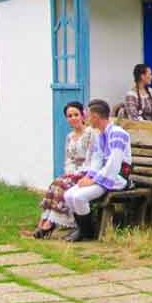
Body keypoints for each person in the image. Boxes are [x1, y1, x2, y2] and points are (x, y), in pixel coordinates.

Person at [63, 99, 132, 242]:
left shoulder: (118, 134)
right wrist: (89, 177)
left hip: (116, 178)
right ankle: (83, 229)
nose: (86, 119)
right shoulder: (100, 135)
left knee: (79, 197)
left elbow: (114, 164)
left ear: (95, 117)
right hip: (102, 176)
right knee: (69, 195)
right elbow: (97, 160)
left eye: (87, 115)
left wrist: (94, 180)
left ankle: (87, 233)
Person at [33, 101, 96, 238]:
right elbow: (68, 158)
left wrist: (79, 172)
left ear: (82, 115)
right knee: (55, 184)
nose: (73, 118)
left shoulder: (90, 133)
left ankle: (49, 225)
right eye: (70, 116)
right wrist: (70, 171)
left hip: (87, 171)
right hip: (73, 171)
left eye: (76, 115)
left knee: (62, 185)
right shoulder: (69, 136)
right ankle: (45, 222)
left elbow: (92, 157)